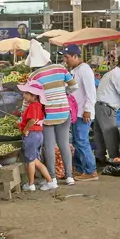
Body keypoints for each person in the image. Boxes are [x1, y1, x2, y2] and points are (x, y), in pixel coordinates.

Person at [29, 54, 78, 187]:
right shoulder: (61, 68)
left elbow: (31, 98)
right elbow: (74, 86)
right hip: (63, 111)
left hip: (48, 114)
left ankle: (52, 178)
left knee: (49, 146)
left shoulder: (34, 75)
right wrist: (64, 93)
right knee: (64, 144)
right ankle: (69, 177)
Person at [63, 45, 98, 181]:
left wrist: (88, 110)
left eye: (67, 57)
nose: (65, 60)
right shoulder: (75, 70)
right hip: (76, 112)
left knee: (82, 141)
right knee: (78, 141)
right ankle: (80, 168)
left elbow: (91, 92)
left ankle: (90, 170)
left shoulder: (85, 70)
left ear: (75, 56)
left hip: (83, 112)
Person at [16, 81, 55, 192]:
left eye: (26, 93)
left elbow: (32, 120)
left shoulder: (33, 106)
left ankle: (31, 184)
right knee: (36, 160)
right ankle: (49, 181)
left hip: (32, 135)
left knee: (31, 161)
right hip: (38, 135)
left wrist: (26, 129)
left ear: (33, 95)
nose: (24, 95)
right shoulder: (39, 106)